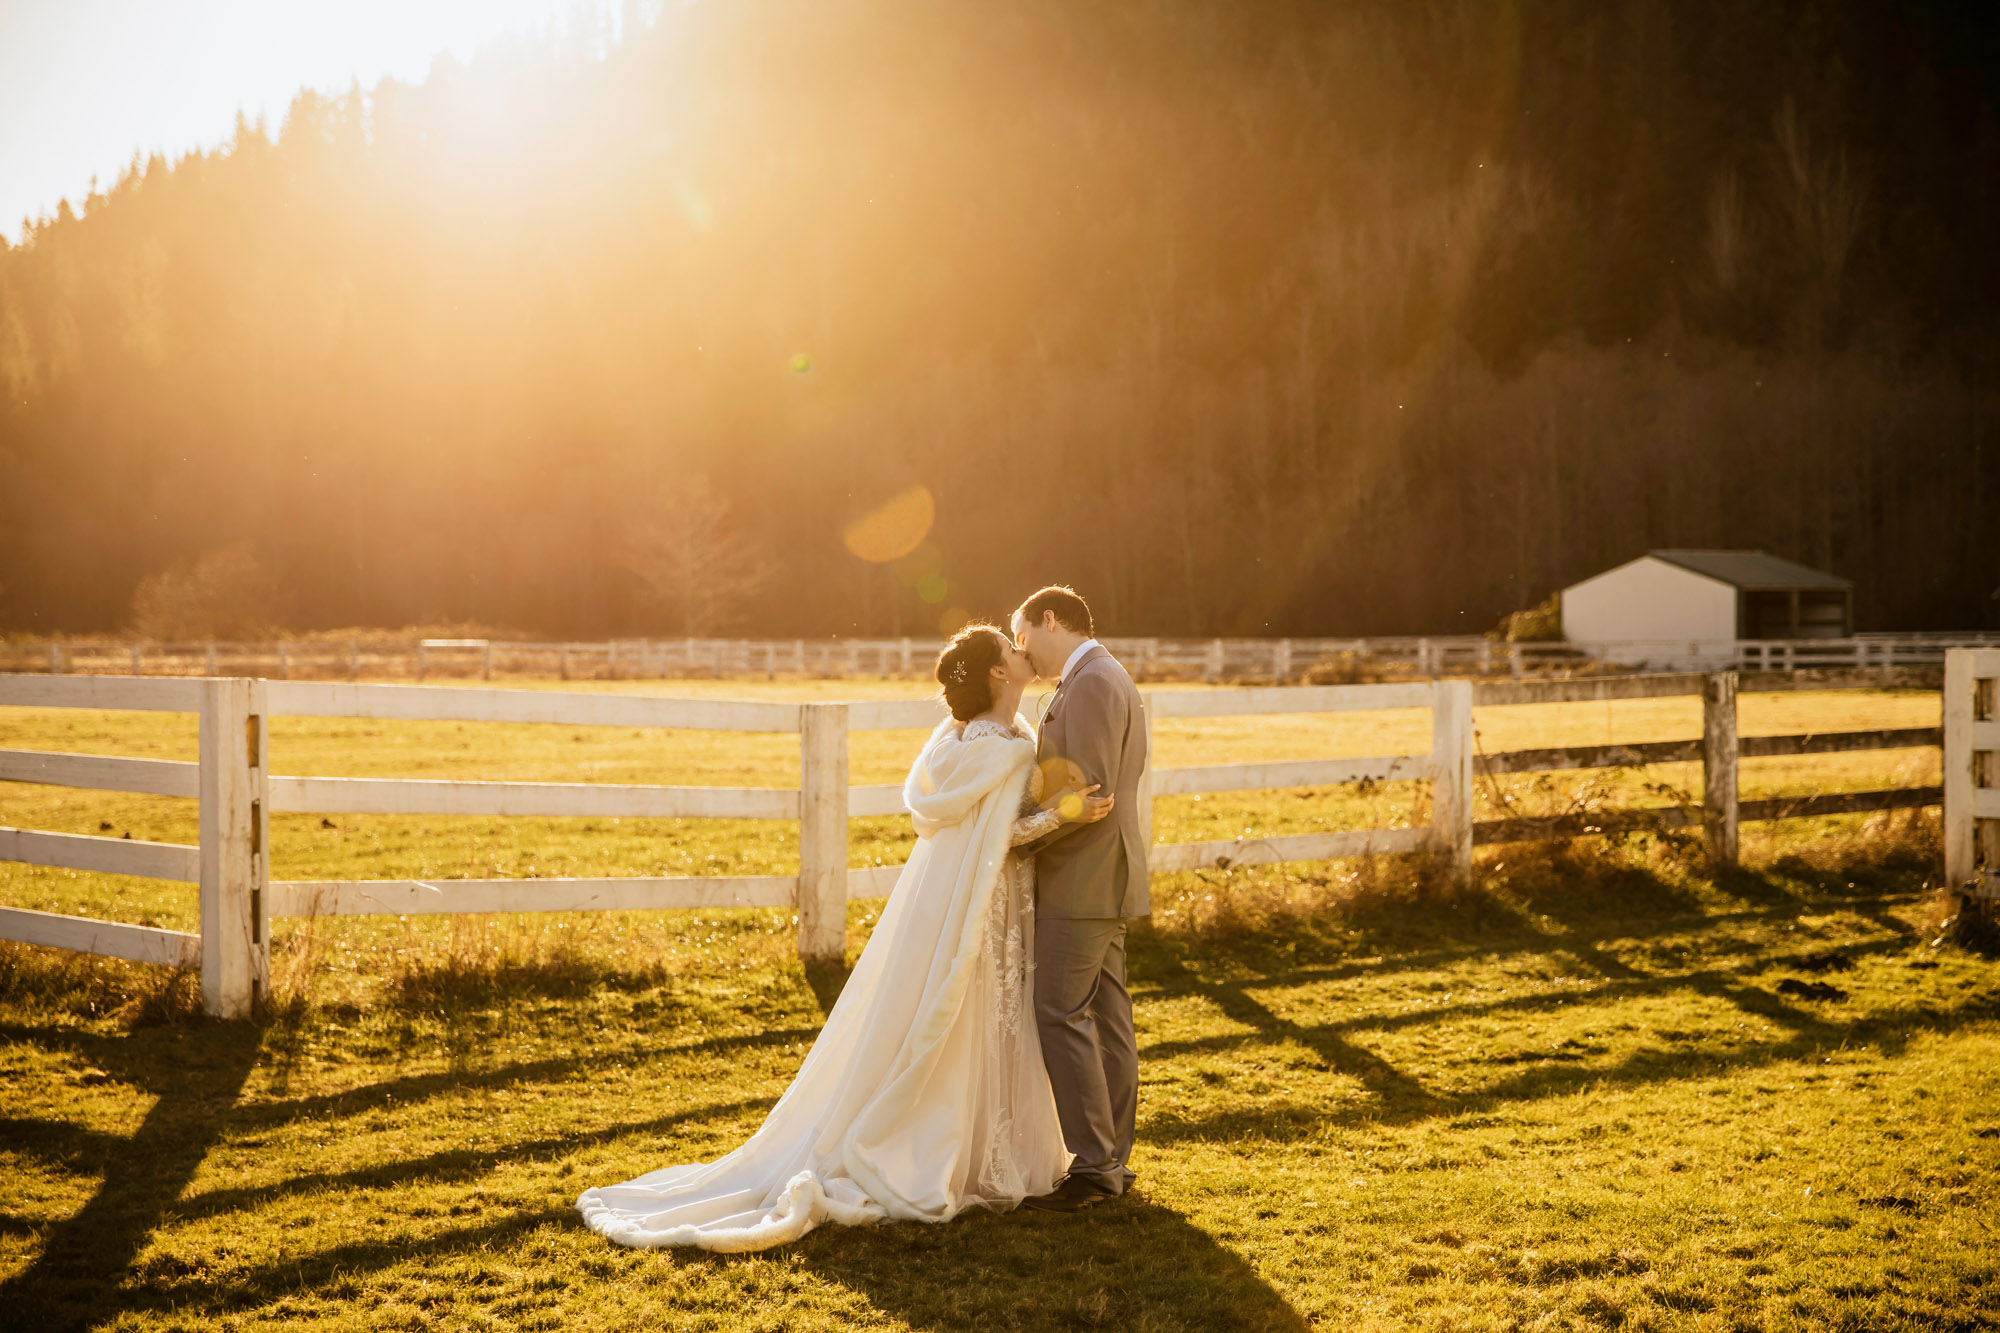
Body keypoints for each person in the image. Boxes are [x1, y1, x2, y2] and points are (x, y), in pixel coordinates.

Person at [575, 623, 1112, 1251]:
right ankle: (952, 1149)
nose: (1024, 654)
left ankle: (982, 1146)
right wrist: (1061, 814)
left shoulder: (970, 738)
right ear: (997, 674)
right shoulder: (1004, 746)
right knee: (968, 1009)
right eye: (1011, 651)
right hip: (981, 900)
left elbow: (975, 827)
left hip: (963, 895)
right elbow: (995, 836)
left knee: (976, 1010)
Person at [1009, 585, 1150, 1213]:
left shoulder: (1092, 679)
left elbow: (1089, 795)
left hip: (1083, 876)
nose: (1022, 652)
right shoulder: (1097, 674)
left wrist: (1020, 838)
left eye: (1022, 638)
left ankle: (1094, 1166)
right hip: (1101, 877)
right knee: (1109, 1018)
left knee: (1060, 1012)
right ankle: (1110, 1162)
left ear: (1048, 620)